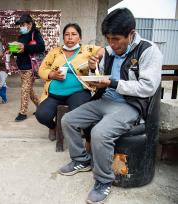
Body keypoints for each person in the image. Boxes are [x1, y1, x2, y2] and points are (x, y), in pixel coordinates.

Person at [58, 8, 162, 204]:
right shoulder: (109, 51)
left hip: (129, 105)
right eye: (108, 39)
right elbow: (101, 74)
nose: (111, 45)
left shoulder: (149, 51)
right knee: (68, 120)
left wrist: (113, 83)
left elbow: (148, 87)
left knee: (100, 133)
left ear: (131, 34)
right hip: (106, 100)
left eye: (116, 39)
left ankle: (104, 181)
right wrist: (91, 68)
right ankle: (82, 160)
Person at [35, 23, 104, 141]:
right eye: (67, 35)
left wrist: (95, 58)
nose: (70, 37)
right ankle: (53, 127)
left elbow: (103, 50)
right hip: (53, 94)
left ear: (79, 37)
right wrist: (52, 74)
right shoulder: (55, 52)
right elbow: (42, 69)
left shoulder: (87, 49)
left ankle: (80, 132)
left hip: (78, 92)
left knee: (81, 112)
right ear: (63, 37)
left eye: (74, 34)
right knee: (41, 115)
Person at [12, 14, 45, 122]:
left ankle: (23, 113)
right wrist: (12, 50)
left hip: (30, 67)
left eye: (23, 24)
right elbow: (19, 50)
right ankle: (41, 106)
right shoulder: (21, 36)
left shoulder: (35, 33)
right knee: (29, 90)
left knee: (24, 89)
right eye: (20, 25)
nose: (21, 27)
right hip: (22, 67)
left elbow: (41, 47)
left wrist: (25, 47)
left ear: (30, 24)